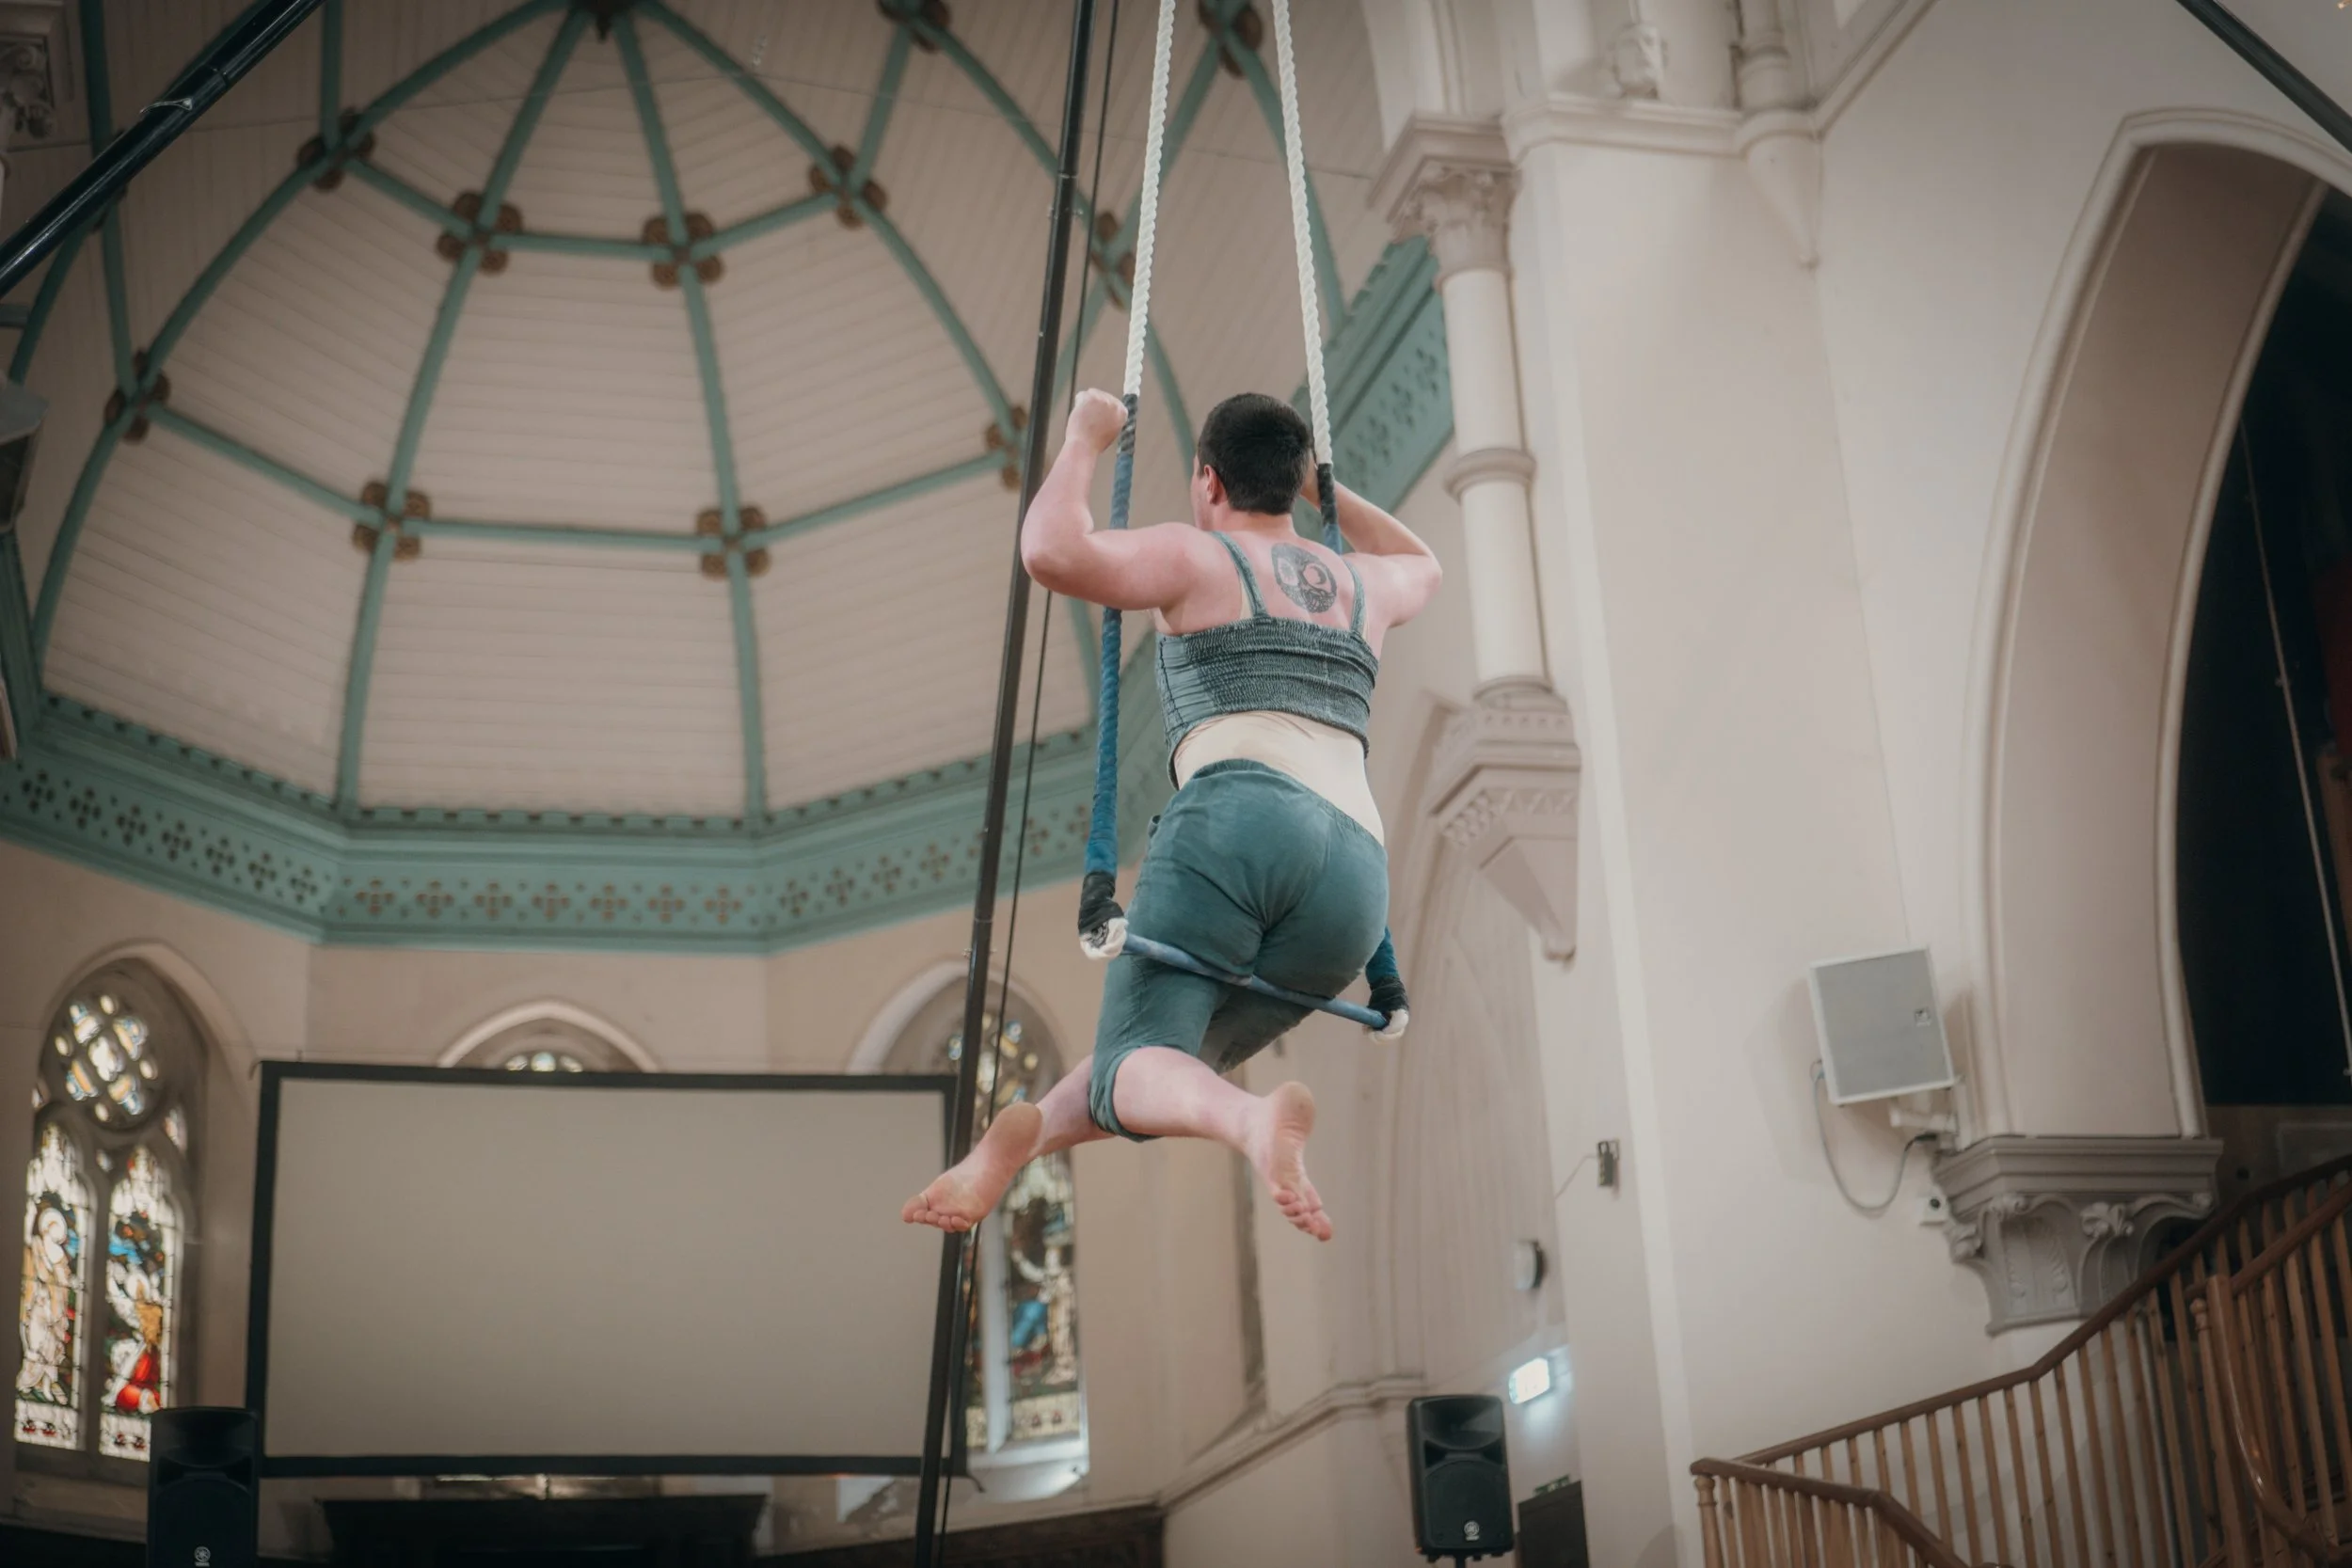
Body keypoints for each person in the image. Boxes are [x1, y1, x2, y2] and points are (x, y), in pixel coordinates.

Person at [903, 388, 1441, 1243]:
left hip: (1244, 820)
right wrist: (1322, 492)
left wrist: (1085, 438)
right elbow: (1425, 561)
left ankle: (1249, 1125)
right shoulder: (1363, 582)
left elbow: (1048, 549)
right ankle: (1019, 1143)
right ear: (1290, 477)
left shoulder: (1200, 557)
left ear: (1208, 481)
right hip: (1355, 886)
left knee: (1143, 1059)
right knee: (1159, 1060)